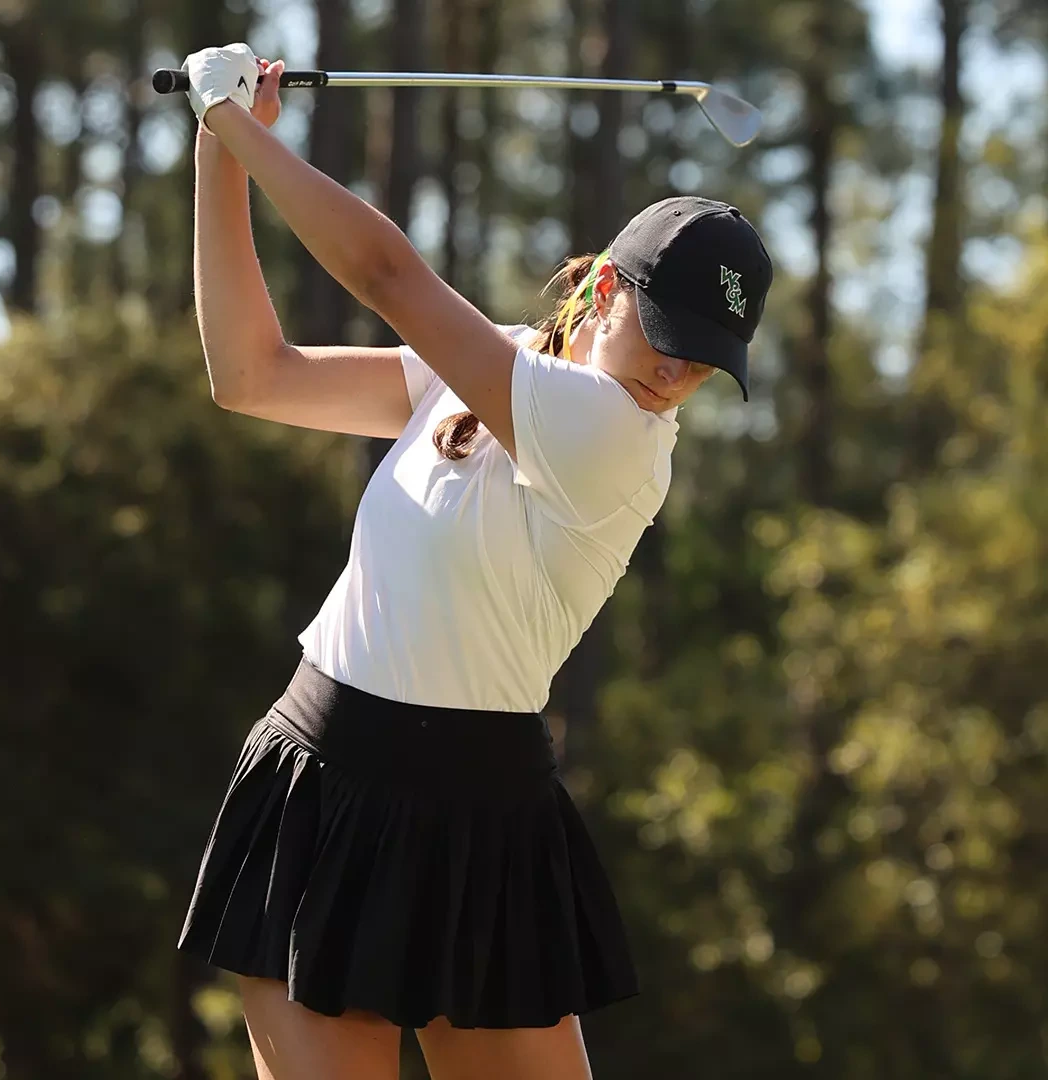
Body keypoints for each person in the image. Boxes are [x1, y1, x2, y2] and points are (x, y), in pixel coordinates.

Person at [174, 42, 773, 1080]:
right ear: (600, 286)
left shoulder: (616, 438)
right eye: (667, 331)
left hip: (483, 822)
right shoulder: (489, 372)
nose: (676, 373)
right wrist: (217, 150)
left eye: (705, 361)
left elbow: (385, 274)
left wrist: (233, 122)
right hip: (325, 781)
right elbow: (250, 373)